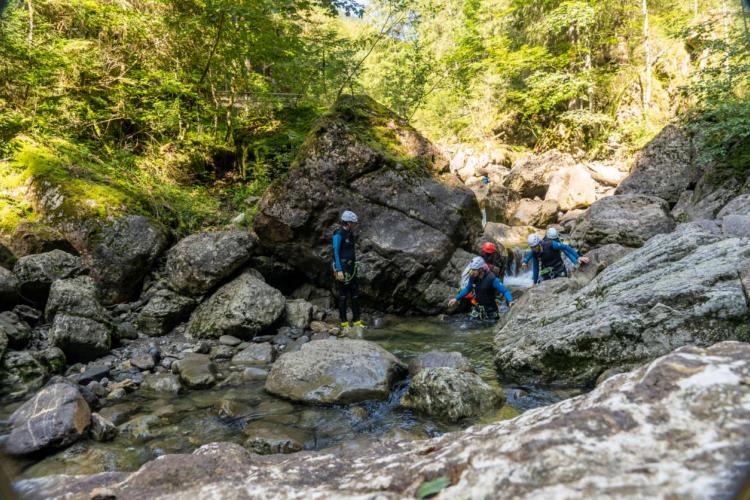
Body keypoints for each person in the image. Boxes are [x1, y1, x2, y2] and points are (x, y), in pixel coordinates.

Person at [449, 256, 513, 320]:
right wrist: (456, 298)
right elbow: (468, 289)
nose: (472, 272)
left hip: (491, 310)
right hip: (478, 308)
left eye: (474, 270)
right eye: (471, 269)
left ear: (481, 269)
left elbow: (505, 291)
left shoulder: (492, 279)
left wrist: (510, 301)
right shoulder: (473, 277)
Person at [332, 210, 365, 328]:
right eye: (354, 223)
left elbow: (351, 251)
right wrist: (339, 270)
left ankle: (357, 321)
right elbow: (335, 252)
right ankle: (344, 322)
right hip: (343, 268)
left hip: (352, 268)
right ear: (348, 223)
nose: (355, 225)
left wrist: (355, 264)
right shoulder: (338, 234)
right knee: (343, 296)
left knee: (355, 294)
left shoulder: (350, 234)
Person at [523, 233, 589, 285]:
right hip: (546, 272)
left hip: (558, 269)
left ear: (539, 243)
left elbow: (566, 247)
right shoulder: (534, 253)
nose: (534, 249)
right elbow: (536, 267)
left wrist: (578, 257)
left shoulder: (550, 244)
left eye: (535, 247)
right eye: (532, 247)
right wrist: (534, 282)